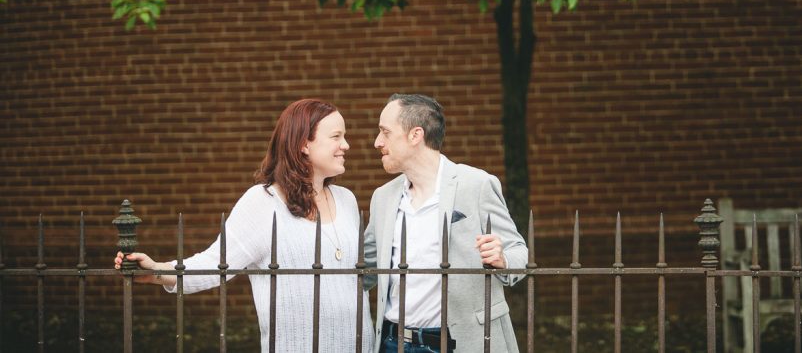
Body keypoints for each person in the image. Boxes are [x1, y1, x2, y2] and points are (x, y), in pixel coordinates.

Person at [115, 98, 372, 353]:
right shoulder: (263, 201)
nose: (346, 145)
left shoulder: (346, 199)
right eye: (336, 136)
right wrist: (158, 271)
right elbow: (216, 264)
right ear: (304, 144)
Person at [364, 94, 527, 353]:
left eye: (385, 132)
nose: (377, 142)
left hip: (459, 342)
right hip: (393, 343)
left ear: (415, 135)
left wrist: (503, 259)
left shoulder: (477, 184)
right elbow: (363, 270)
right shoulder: (383, 197)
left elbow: (520, 254)